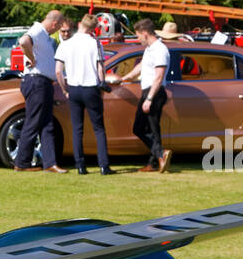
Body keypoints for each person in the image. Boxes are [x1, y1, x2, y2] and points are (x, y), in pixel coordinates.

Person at [55, 13, 114, 176]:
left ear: (80, 24)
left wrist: (65, 90)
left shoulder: (66, 43)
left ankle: (80, 165)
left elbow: (58, 71)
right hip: (91, 88)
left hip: (74, 88)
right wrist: (102, 85)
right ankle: (104, 165)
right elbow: (100, 67)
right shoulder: (95, 43)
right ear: (94, 28)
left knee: (77, 128)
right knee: (99, 128)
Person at [113, 18, 172, 172]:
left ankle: (160, 153)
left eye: (138, 35)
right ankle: (155, 161)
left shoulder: (160, 49)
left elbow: (159, 76)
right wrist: (125, 78)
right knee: (145, 128)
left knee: (148, 128)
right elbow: (140, 67)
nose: (137, 38)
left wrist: (150, 98)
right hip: (149, 91)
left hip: (154, 92)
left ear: (145, 33)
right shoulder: (149, 49)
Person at [12, 9, 66, 174]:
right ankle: (21, 162)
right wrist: (32, 58)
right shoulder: (37, 30)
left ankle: (50, 163)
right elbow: (23, 41)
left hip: (43, 82)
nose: (57, 31)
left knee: (46, 124)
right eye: (57, 28)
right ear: (54, 23)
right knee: (34, 122)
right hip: (37, 81)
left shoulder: (44, 35)